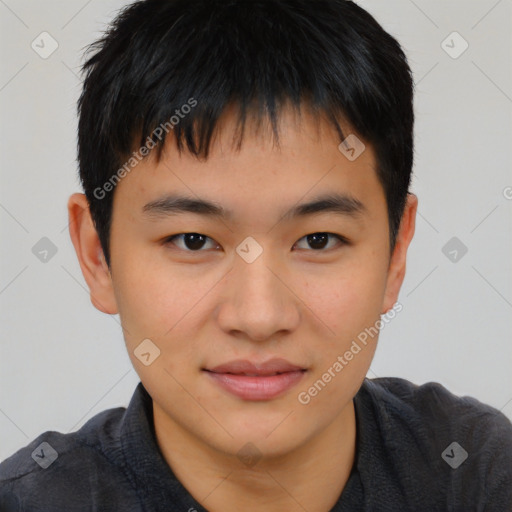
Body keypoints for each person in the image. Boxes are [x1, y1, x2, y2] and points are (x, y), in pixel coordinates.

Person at [1, 0, 511, 510]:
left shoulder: (478, 477)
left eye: (318, 240)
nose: (260, 317)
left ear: (396, 252)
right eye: (193, 240)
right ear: (97, 256)